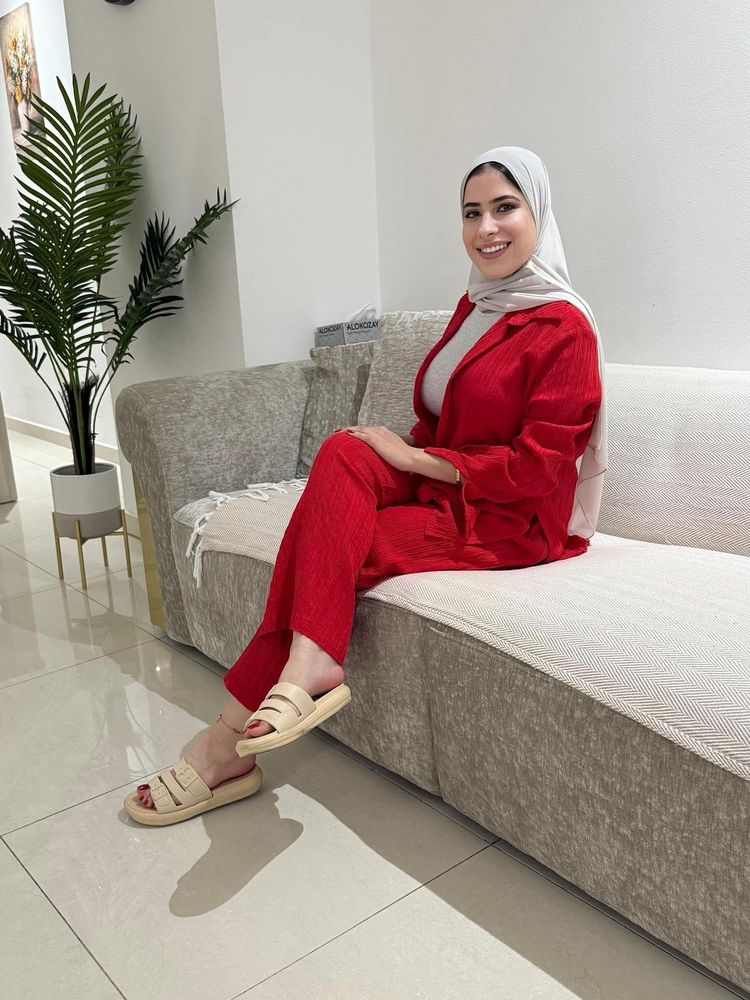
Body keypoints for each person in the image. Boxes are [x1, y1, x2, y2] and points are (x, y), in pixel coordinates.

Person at [124, 145, 606, 826]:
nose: (486, 228)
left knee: (318, 549)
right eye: (471, 212)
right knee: (345, 448)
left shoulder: (564, 328)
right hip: (443, 478)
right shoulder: (477, 305)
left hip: (506, 517)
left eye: (505, 208)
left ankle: (222, 746)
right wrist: (402, 453)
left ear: (540, 214)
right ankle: (309, 663)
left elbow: (539, 470)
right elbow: (444, 418)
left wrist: (413, 462)